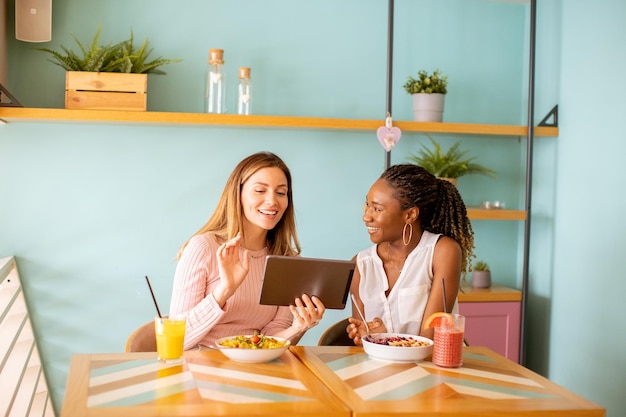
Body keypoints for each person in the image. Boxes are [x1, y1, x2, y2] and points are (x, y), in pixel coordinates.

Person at [169, 152, 325, 350]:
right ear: (238, 194)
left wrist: (298, 327)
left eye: (281, 192)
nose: (272, 201)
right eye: (260, 190)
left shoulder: (288, 261)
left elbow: (272, 336)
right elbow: (177, 340)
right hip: (201, 368)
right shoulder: (203, 247)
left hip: (257, 367)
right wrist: (225, 290)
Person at [347, 164, 475, 344]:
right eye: (367, 205)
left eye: (377, 209)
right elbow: (363, 345)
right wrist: (364, 336)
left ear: (410, 215)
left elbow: (429, 342)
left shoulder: (442, 251)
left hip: (435, 368)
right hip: (382, 368)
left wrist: (386, 338)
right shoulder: (361, 265)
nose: (366, 217)